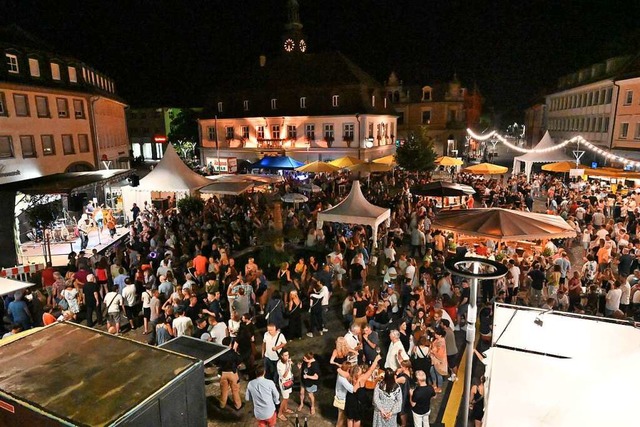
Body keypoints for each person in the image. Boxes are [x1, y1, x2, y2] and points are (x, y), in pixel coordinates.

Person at [216, 336, 243, 411]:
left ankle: (222, 404)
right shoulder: (233, 353)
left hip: (223, 374)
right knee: (235, 390)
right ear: (230, 344)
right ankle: (238, 405)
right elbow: (239, 360)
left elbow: (216, 363)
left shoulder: (219, 353)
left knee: (224, 390)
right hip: (232, 373)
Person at [276, 349, 294, 421]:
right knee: (285, 398)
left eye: (288, 355)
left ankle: (285, 409)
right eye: (285, 355)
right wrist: (289, 365)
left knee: (287, 396)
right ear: (281, 356)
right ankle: (280, 413)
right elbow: (284, 375)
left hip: (289, 381)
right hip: (284, 382)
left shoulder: (287, 361)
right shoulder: (280, 364)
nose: (287, 357)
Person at [429, 327, 448, 393]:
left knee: (438, 374)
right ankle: (434, 384)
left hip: (439, 361)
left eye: (436, 334)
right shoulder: (437, 340)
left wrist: (433, 351)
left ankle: (439, 387)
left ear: (440, 335)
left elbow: (440, 354)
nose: (435, 335)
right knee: (432, 371)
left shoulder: (441, 342)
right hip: (434, 360)